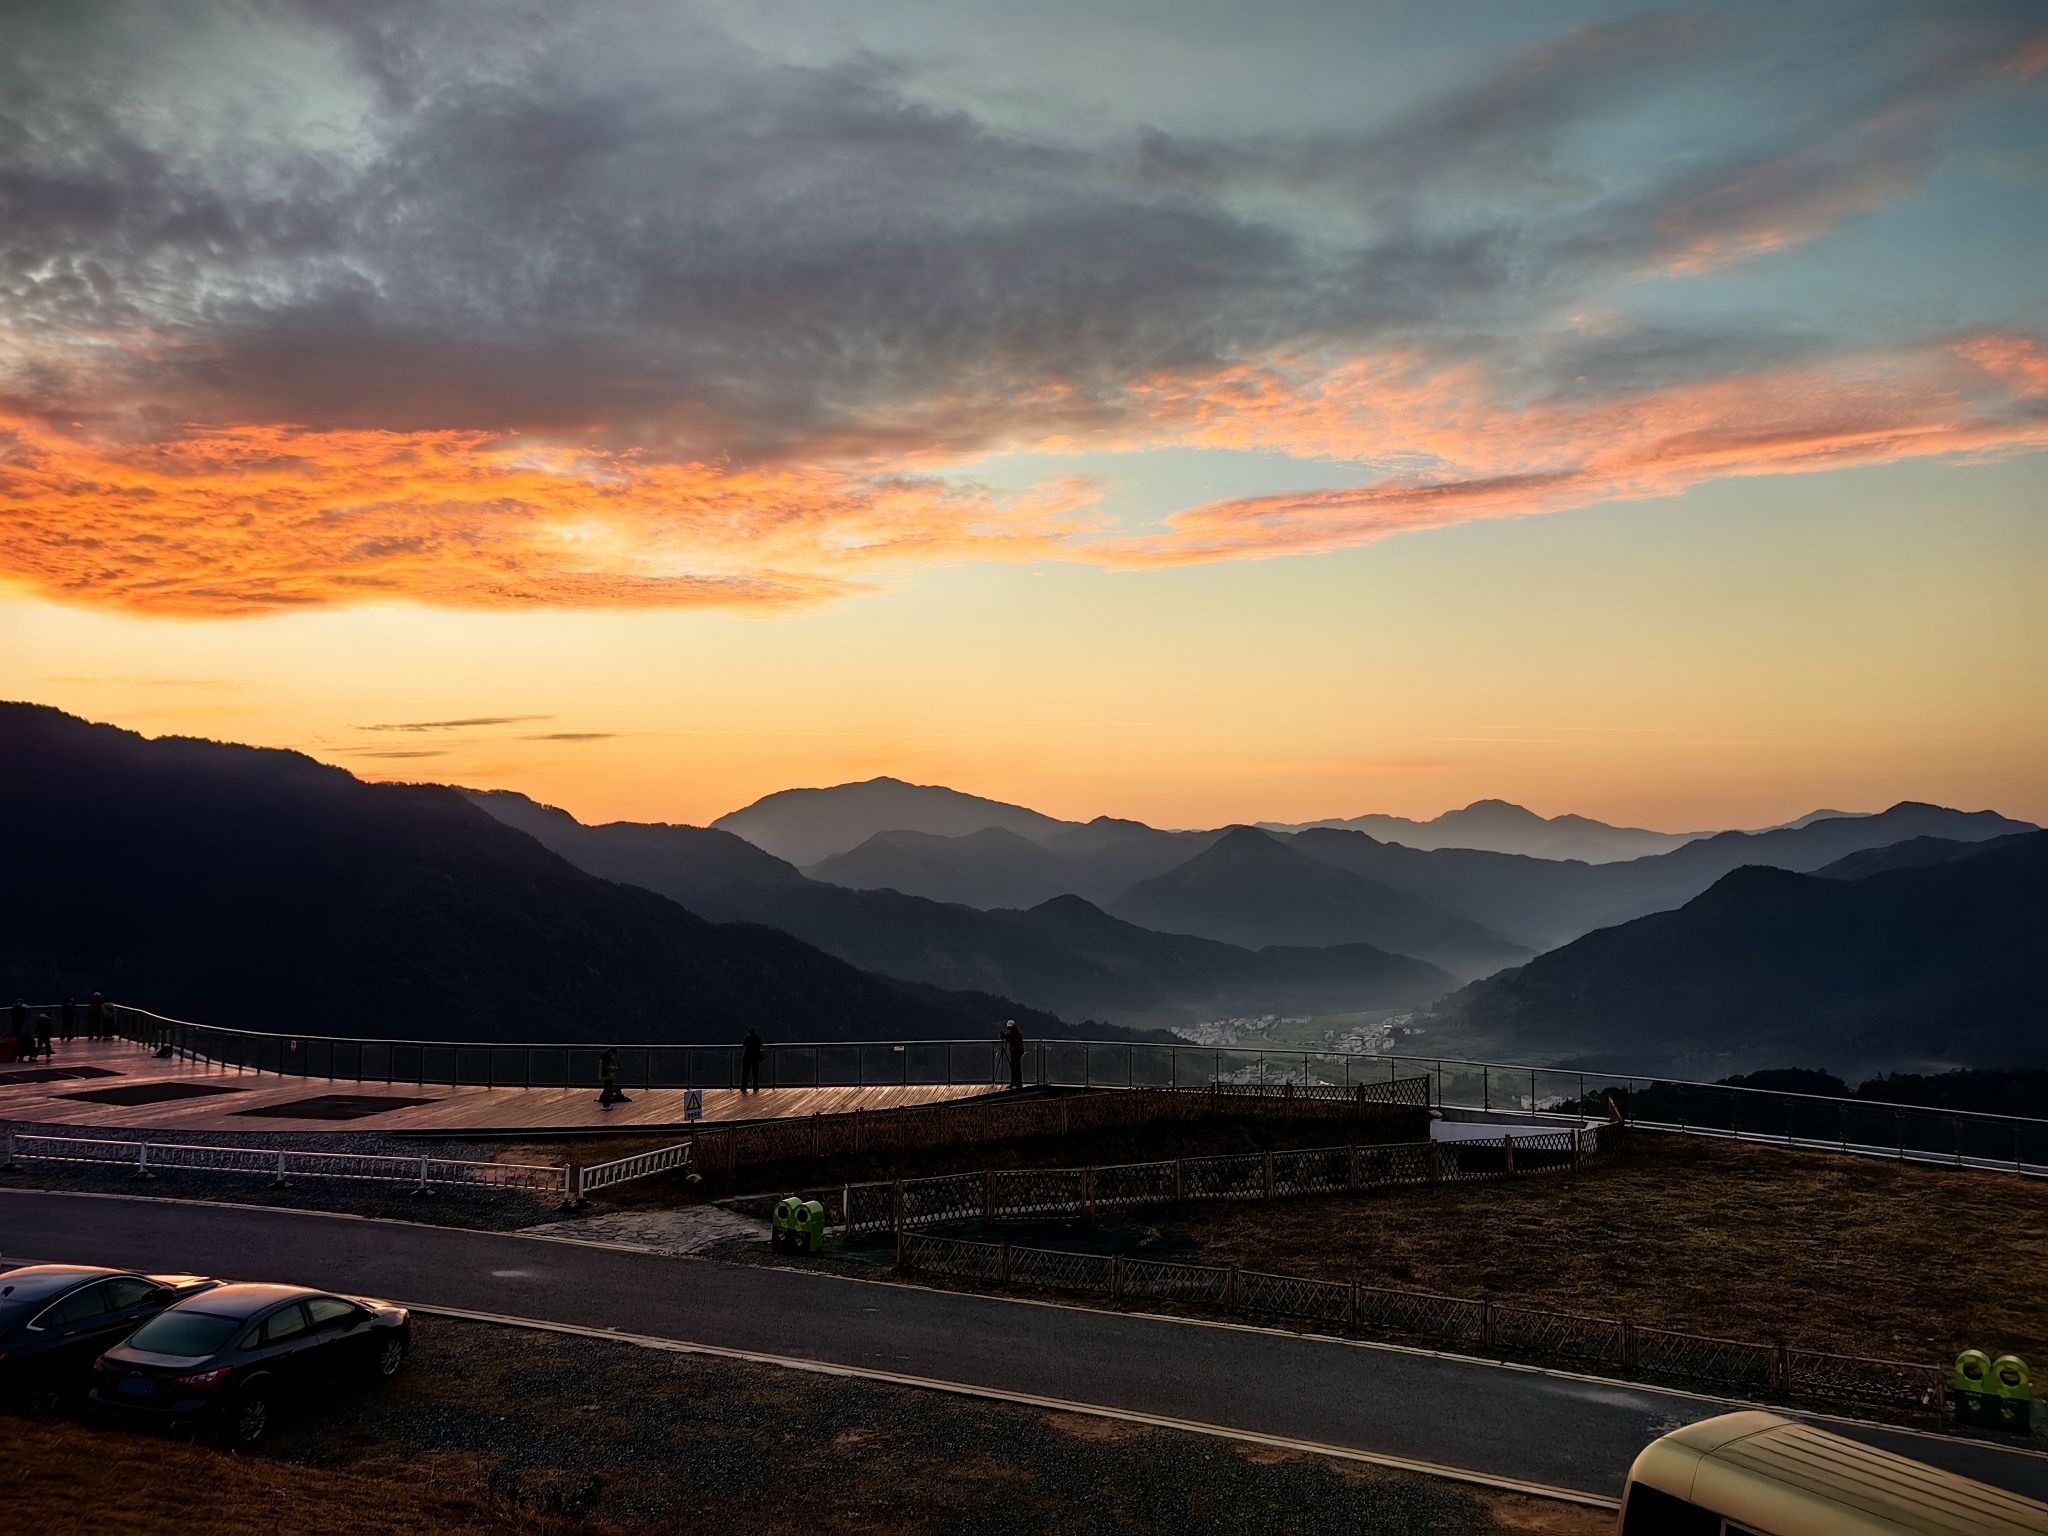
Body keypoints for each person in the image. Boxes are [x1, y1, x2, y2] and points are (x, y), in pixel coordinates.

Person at [1002, 1019, 1026, 1091]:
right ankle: (1015, 1082)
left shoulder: (1017, 1032)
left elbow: (1013, 1040)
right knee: (1014, 1067)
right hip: (1015, 1051)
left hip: (1017, 1051)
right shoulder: (1015, 1031)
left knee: (1016, 1067)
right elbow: (1010, 1037)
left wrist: (1005, 1037)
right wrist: (1006, 1036)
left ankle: (1017, 1083)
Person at [740, 1027, 764, 1094]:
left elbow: (744, 1044)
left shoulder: (747, 1038)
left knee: (745, 1073)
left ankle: (743, 1087)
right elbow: (761, 1045)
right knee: (755, 1073)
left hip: (747, 1057)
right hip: (755, 1058)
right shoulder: (758, 1038)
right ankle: (755, 1087)